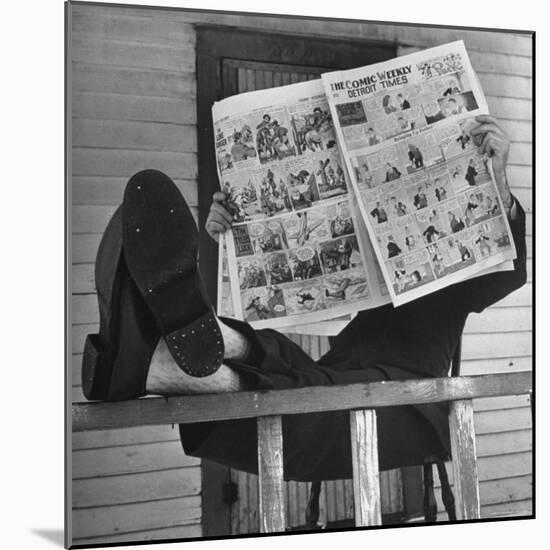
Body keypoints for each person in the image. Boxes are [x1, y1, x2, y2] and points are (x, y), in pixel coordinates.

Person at [82, 115, 526, 483]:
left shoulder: (464, 268)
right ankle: (174, 349)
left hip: (412, 398)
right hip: (342, 368)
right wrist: (237, 232)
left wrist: (499, 187)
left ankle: (143, 364)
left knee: (311, 398)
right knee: (277, 353)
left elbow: (508, 275)